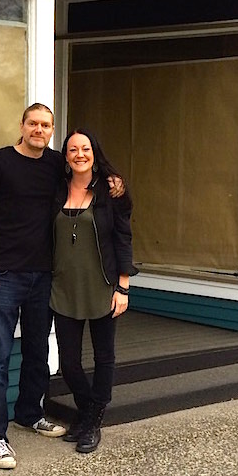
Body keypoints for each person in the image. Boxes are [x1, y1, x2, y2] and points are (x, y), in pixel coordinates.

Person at [0, 103, 67, 470]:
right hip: (3, 273)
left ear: (52, 130)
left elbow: (89, 180)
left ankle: (29, 413)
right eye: (33, 123)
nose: (39, 130)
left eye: (46, 125)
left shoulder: (57, 165)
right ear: (22, 126)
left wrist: (116, 185)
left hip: (43, 274)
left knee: (38, 350)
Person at [50, 128, 138, 454]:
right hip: (64, 288)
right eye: (72, 149)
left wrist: (123, 286)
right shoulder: (56, 190)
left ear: (94, 152)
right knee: (69, 363)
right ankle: (88, 411)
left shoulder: (110, 191)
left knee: (104, 358)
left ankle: (92, 422)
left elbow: (123, 239)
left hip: (103, 286)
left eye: (85, 148)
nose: (79, 154)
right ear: (66, 156)